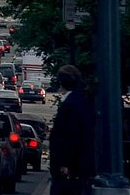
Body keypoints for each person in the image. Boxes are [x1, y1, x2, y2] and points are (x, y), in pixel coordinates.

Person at [49, 64, 95, 195]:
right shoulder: (82, 100)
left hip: (69, 166)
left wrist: (65, 163)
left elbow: (70, 135)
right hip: (78, 164)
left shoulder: (70, 105)